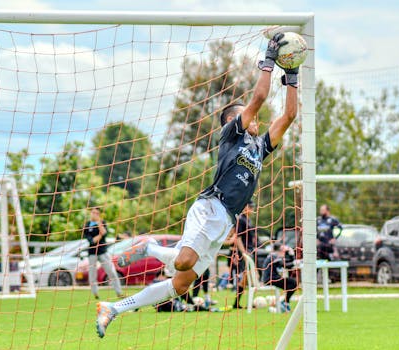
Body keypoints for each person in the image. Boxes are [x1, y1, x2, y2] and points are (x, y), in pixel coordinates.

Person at [96, 33, 299, 338]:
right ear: (234, 119)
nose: (255, 119)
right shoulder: (232, 135)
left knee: (180, 285)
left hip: (225, 220)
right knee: (184, 261)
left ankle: (113, 308)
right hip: (210, 207)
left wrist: (293, 77)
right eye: (247, 115)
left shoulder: (260, 147)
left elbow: (289, 116)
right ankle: (147, 247)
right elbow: (257, 100)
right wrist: (269, 63)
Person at [83, 207, 123, 300]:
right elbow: (92, 241)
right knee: (92, 274)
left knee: (111, 272)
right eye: (93, 212)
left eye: (97, 213)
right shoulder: (87, 225)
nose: (94, 214)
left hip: (103, 252)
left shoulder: (102, 222)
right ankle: (95, 293)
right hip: (92, 253)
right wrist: (100, 235)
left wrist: (99, 224)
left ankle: (119, 292)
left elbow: (104, 233)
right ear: (90, 213)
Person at [227, 200, 258, 309]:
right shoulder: (240, 219)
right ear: (245, 207)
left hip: (250, 250)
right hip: (245, 252)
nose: (252, 210)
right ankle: (240, 303)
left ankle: (239, 303)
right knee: (248, 277)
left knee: (248, 278)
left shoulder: (248, 220)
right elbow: (238, 238)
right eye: (251, 207)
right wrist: (244, 253)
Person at [262, 243, 298, 312]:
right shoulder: (274, 256)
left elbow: (287, 263)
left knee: (291, 283)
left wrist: (292, 255)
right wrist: (294, 261)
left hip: (272, 278)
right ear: (280, 250)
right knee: (293, 283)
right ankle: (284, 303)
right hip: (270, 279)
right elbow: (286, 265)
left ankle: (283, 303)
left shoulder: (273, 256)